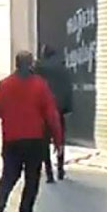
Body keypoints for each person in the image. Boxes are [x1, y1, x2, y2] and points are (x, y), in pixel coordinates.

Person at [0, 51, 63, 212]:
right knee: (32, 179)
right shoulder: (40, 85)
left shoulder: (5, 84)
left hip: (12, 139)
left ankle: (0, 203)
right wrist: (58, 141)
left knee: (9, 175)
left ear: (16, 64)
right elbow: (51, 115)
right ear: (31, 64)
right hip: (34, 139)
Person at [36, 44, 73, 182]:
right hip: (59, 110)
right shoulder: (63, 69)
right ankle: (61, 169)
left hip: (44, 112)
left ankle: (49, 173)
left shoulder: (38, 69)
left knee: (44, 142)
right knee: (60, 141)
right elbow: (68, 89)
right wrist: (67, 108)